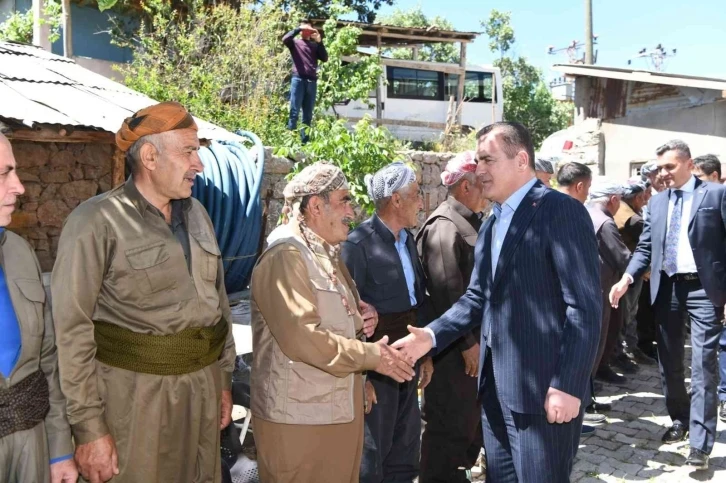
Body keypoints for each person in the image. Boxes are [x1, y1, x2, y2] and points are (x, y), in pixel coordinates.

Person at [393, 122, 602, 482]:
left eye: (488, 160)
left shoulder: (560, 211)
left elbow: (584, 307)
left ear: (521, 160)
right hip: (495, 393)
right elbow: (477, 298)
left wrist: (568, 384)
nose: (479, 171)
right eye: (477, 161)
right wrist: (429, 336)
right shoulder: (492, 224)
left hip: (543, 395)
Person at [52, 102, 237, 483]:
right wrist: (89, 429)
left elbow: (219, 308)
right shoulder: (95, 222)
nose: (198, 164)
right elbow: (70, 332)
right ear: (150, 156)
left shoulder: (198, 214)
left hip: (201, 394)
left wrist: (223, 381)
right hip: (135, 402)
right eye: (189, 151)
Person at [249, 163, 414, 483]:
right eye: (344, 200)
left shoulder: (327, 255)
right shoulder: (287, 255)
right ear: (315, 206)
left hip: (334, 412)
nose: (352, 210)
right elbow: (302, 338)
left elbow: (340, 323)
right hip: (300, 422)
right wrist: (371, 358)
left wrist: (364, 322)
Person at [610, 140, 726, 470]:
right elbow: (645, 248)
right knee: (670, 362)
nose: (663, 173)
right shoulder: (657, 203)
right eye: (660, 168)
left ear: (688, 164)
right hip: (667, 289)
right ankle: (680, 418)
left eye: (670, 167)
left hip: (705, 289)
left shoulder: (716, 195)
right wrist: (627, 278)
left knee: (703, 364)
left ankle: (701, 445)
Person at [342, 162, 430, 483]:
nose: (421, 202)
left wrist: (427, 355)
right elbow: (348, 316)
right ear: (396, 200)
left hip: (409, 359)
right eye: (416, 194)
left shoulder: (408, 240)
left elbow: (417, 303)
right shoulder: (357, 246)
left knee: (406, 447)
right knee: (373, 451)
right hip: (377, 365)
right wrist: (362, 377)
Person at [0, 133, 77, 483]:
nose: (19, 187)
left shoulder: (19, 252)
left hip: (28, 440)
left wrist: (59, 449)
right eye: (4, 174)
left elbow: (46, 360)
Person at [416, 151, 487, 483]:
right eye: (481, 184)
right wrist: (467, 344)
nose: (487, 190)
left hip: (467, 347)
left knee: (468, 423)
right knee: (448, 426)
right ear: (464, 186)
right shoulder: (445, 227)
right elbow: (448, 296)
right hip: (452, 352)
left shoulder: (470, 221)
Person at [586, 179, 631, 385]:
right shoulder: (605, 222)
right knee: (600, 337)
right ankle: (588, 390)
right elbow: (622, 256)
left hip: (588, 284)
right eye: (620, 200)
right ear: (613, 199)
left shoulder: (585, 212)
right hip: (602, 287)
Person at [613, 178, 655, 365]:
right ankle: (627, 351)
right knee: (628, 314)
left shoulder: (621, 210)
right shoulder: (634, 219)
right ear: (637, 197)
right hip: (630, 273)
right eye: (644, 196)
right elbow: (645, 247)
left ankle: (627, 349)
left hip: (623, 271)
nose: (647, 199)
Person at [283, 19, 328, 142]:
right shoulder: (295, 43)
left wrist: (319, 41)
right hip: (298, 79)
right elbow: (285, 39)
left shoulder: (314, 46)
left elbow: (324, 58)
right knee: (294, 111)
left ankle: (304, 143)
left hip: (311, 82)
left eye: (309, 29)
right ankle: (290, 142)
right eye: (305, 29)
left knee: (307, 115)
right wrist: (299, 28)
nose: (307, 31)